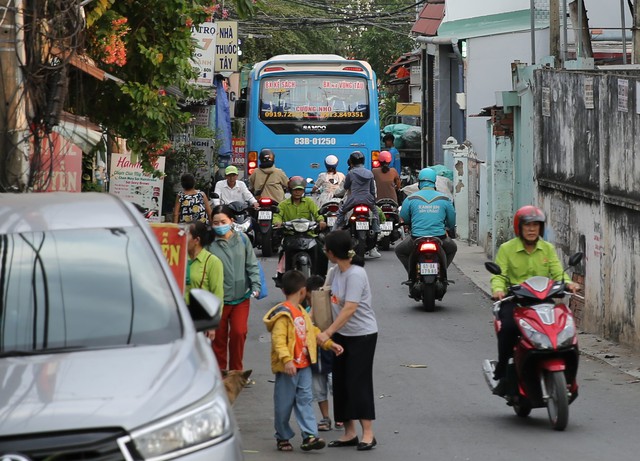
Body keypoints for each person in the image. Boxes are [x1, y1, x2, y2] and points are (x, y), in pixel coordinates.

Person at [490, 205, 580, 395]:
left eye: (536, 225)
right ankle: (502, 367)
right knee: (508, 328)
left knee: (565, 325)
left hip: (542, 301)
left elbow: (557, 272)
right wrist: (498, 290)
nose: (532, 229)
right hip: (515, 301)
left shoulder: (547, 248)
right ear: (519, 228)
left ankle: (568, 373)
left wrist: (569, 284)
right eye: (527, 225)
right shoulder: (507, 249)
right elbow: (499, 275)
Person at [263, 270, 343, 452]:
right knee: (283, 404)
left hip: (304, 366)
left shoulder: (301, 312)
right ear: (303, 291)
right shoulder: (283, 314)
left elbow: (312, 332)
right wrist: (287, 360)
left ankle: (310, 435)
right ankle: (282, 436)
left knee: (305, 400)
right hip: (288, 368)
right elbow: (278, 340)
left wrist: (329, 344)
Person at [316, 230, 378, 451]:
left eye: (326, 249)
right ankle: (349, 432)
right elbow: (324, 296)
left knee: (357, 382)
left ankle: (368, 433)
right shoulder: (335, 272)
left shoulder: (356, 274)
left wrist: (328, 332)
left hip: (362, 335)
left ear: (332, 252)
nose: (324, 252)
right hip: (341, 334)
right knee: (341, 382)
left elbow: (350, 308)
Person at [207, 205, 261, 371]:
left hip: (241, 297)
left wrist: (255, 284)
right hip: (218, 300)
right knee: (219, 339)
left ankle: (236, 372)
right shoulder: (208, 243)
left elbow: (251, 264)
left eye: (223, 221)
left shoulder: (242, 239)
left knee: (239, 333)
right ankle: (221, 373)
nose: (219, 225)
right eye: (215, 223)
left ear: (231, 221)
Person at [395, 167, 457, 281]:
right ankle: (442, 273)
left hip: (416, 238)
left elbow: (405, 217)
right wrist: (447, 226)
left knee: (399, 250)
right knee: (452, 248)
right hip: (440, 237)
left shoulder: (410, 198)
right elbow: (452, 221)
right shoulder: (444, 198)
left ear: (419, 183)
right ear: (434, 182)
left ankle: (412, 274)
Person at [273, 176, 327, 285]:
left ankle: (321, 276)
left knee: (321, 251)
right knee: (284, 251)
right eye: (295, 190)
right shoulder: (283, 204)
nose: (298, 192)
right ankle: (281, 277)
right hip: (290, 235)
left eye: (300, 190)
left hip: (308, 234)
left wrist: (321, 221)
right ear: (290, 190)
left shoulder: (309, 202)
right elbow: (277, 216)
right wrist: (278, 222)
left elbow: (317, 214)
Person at [332, 151, 381, 258]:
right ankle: (377, 230)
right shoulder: (370, 173)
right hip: (368, 200)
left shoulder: (351, 174)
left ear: (351, 162)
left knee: (341, 213)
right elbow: (372, 190)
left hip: (353, 200)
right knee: (375, 213)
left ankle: (334, 231)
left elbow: (345, 188)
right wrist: (372, 200)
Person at [305, 274, 336, 432]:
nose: (310, 302)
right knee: (318, 390)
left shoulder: (331, 310)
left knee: (335, 386)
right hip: (315, 357)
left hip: (330, 355)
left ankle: (341, 417)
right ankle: (325, 417)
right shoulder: (306, 313)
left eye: (311, 298)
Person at [185, 222, 224, 342]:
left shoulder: (212, 262)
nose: (181, 237)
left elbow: (217, 294)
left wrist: (211, 324)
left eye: (186, 235)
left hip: (200, 318)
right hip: (179, 317)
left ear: (196, 240)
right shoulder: (178, 258)